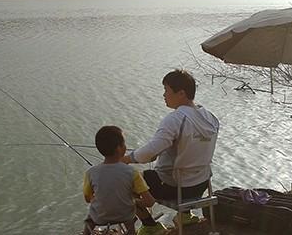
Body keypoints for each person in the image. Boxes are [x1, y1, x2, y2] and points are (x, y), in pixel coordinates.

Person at [122, 69, 220, 235]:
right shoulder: (210, 117)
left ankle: (150, 225)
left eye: (167, 91)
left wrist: (126, 159)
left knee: (126, 181)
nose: (164, 95)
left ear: (181, 93)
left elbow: (148, 154)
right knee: (185, 165)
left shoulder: (175, 119)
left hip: (176, 188)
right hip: (202, 184)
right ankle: (185, 216)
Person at [82, 126, 155, 235]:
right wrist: (134, 201)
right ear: (119, 148)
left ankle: (86, 233)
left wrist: (102, 201)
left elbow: (88, 198)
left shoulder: (90, 173)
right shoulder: (132, 172)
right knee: (129, 215)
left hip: (99, 217)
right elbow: (150, 202)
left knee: (90, 218)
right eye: (124, 143)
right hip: (125, 215)